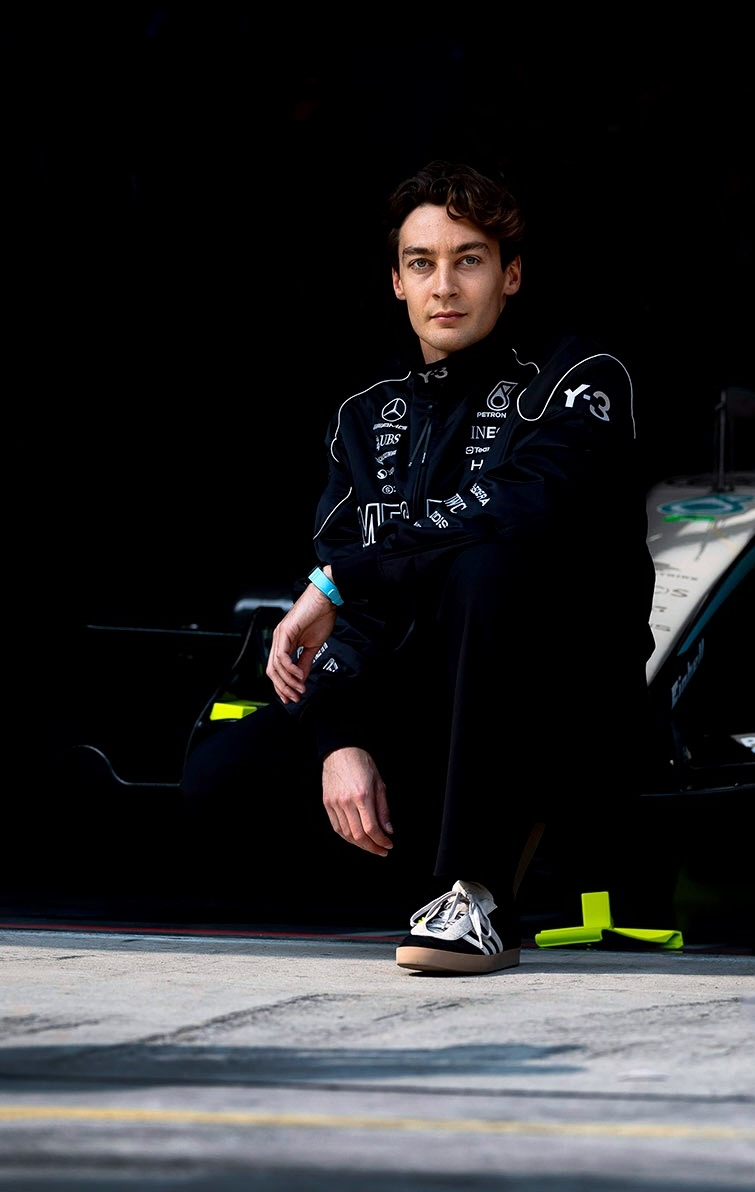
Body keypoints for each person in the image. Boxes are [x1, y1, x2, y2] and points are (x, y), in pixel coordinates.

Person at [182, 159, 656, 974]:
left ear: (510, 275)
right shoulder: (366, 418)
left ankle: (477, 893)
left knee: (486, 569)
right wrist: (340, 739)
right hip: (421, 706)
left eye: (469, 260)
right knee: (223, 775)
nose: (445, 285)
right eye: (421, 263)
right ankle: (429, 882)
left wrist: (339, 581)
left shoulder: (578, 377)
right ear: (397, 283)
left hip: (558, 703)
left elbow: (525, 503)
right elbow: (354, 600)